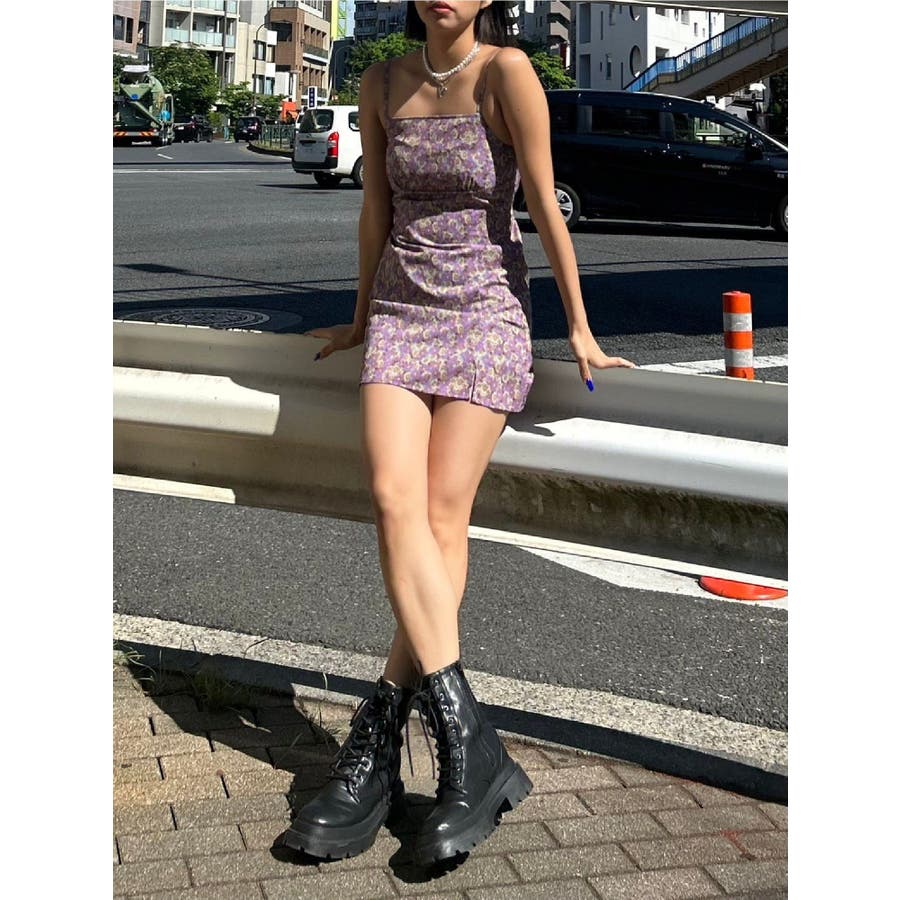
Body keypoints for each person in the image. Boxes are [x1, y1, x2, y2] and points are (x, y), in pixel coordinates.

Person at [283, 0, 634, 868]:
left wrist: (580, 328)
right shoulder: (379, 82)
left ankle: (377, 744)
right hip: (402, 311)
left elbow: (544, 203)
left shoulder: (507, 73)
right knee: (392, 499)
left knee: (442, 517)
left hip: (485, 311)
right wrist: (360, 315)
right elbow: (375, 210)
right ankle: (467, 743)